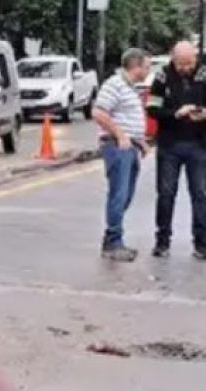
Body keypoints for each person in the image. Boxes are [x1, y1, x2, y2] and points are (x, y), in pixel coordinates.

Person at [147, 41, 206, 260]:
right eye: (180, 64)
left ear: (195, 58)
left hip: (199, 144)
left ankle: (201, 243)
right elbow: (152, 108)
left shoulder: (204, 73)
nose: (184, 68)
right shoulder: (162, 76)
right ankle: (162, 241)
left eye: (189, 63)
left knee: (200, 195)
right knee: (165, 194)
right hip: (169, 144)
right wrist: (175, 113)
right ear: (173, 58)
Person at [92, 48, 152, 262]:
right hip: (117, 147)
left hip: (130, 146)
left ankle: (112, 237)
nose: (148, 70)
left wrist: (140, 141)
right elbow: (98, 112)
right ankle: (113, 242)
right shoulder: (114, 84)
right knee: (118, 194)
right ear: (135, 66)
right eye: (146, 66)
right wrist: (120, 135)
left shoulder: (130, 87)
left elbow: (127, 117)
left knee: (126, 195)